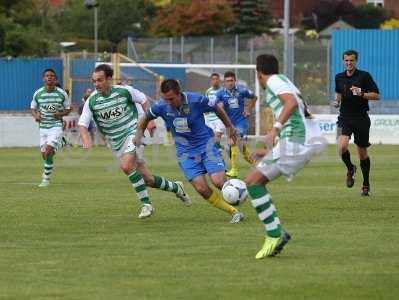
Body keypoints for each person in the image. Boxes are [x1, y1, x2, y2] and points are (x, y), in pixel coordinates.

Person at [78, 64, 191, 219]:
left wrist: (149, 120)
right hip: (116, 143)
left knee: (126, 166)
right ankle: (176, 188)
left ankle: (146, 204)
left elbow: (144, 99)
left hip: (135, 132)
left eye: (100, 80)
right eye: (94, 81)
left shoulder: (124, 91)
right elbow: (83, 124)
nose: (96, 84)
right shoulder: (92, 101)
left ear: (109, 79)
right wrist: (86, 140)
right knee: (148, 179)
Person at [245, 54, 325, 259]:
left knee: (253, 182)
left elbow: (290, 104)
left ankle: (274, 234)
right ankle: (276, 233)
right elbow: (296, 113)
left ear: (259, 73)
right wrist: (271, 150)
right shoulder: (285, 81)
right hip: (301, 141)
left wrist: (275, 129)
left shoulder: (272, 80)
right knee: (256, 181)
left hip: (297, 141)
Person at [134, 79, 245, 223]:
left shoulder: (197, 100)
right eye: (165, 99)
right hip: (185, 153)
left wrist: (230, 128)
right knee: (201, 188)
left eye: (171, 99)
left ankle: (238, 191)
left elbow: (217, 108)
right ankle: (234, 212)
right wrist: (139, 134)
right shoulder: (161, 106)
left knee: (218, 181)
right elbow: (145, 117)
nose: (168, 102)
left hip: (206, 146)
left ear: (179, 94)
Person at [332, 50, 380, 196]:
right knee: (341, 147)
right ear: (343, 61)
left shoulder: (364, 76)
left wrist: (362, 94)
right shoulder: (338, 77)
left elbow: (377, 95)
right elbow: (339, 93)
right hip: (344, 117)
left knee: (362, 153)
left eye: (351, 60)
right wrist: (337, 101)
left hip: (361, 118)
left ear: (356, 61)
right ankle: (350, 168)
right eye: (346, 60)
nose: (349, 63)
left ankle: (366, 184)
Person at [30, 68, 71, 187]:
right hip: (43, 127)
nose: (49, 77)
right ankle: (60, 143)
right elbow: (32, 107)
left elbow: (68, 109)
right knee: (45, 155)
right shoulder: (38, 93)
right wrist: (36, 115)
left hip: (56, 126)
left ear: (55, 79)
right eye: (47, 76)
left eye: (52, 76)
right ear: (43, 78)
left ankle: (46, 179)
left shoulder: (62, 94)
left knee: (48, 151)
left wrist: (60, 114)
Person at [216, 71, 257, 178]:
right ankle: (255, 164)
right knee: (240, 147)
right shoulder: (220, 93)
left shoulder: (242, 91)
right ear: (224, 82)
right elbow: (214, 105)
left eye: (231, 81)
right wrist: (219, 107)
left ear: (235, 81)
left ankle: (234, 170)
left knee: (233, 141)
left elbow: (254, 97)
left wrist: (248, 109)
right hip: (229, 124)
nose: (229, 83)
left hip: (241, 122)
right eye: (227, 81)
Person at [204, 73, 225, 151]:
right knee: (212, 137)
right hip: (210, 118)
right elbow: (206, 103)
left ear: (219, 80)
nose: (215, 81)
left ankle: (216, 148)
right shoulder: (208, 91)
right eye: (213, 79)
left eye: (217, 79)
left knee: (218, 133)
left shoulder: (223, 91)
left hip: (220, 117)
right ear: (211, 81)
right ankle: (218, 148)